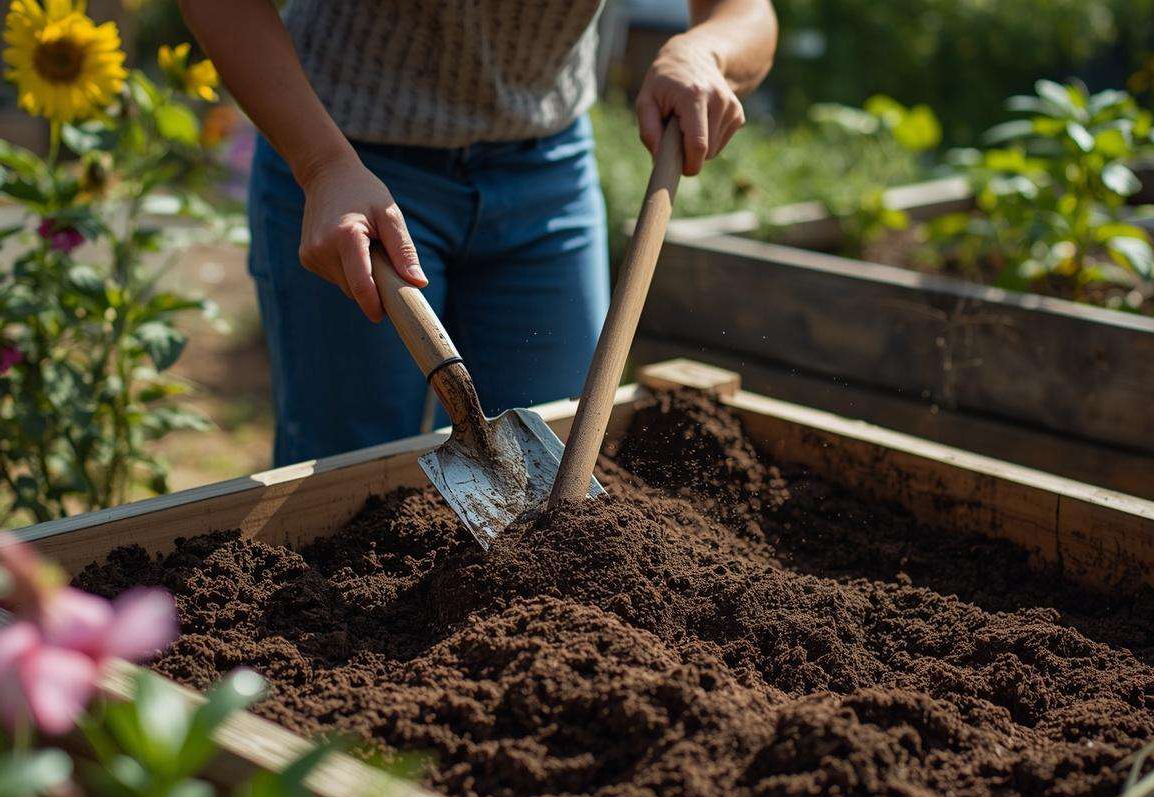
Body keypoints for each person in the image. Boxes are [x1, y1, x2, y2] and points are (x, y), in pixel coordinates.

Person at [179, 0, 777, 464]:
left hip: (543, 168)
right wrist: (321, 166)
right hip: (346, 157)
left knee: (557, 450)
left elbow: (745, 12)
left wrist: (707, 50)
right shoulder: (333, 163)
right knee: (345, 471)